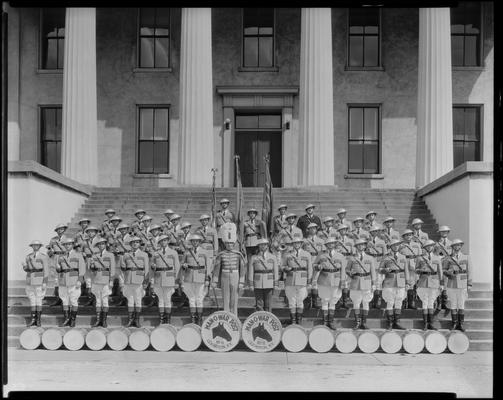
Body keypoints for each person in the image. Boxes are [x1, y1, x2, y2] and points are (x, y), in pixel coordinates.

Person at [312, 237, 347, 329]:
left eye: (332, 243)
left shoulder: (340, 255)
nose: (330, 245)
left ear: (335, 244)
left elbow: (343, 269)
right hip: (324, 278)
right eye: (329, 244)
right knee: (324, 300)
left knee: (333, 301)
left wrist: (343, 281)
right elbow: (314, 264)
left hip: (336, 278)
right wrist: (318, 266)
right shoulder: (321, 255)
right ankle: (324, 321)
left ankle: (331, 321)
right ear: (326, 245)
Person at [379, 239, 412, 330]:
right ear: (391, 247)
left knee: (399, 302)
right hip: (390, 281)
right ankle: (390, 323)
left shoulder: (403, 257)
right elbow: (380, 269)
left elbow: (406, 271)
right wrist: (385, 270)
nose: (396, 246)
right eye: (394, 245)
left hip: (400, 281)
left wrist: (408, 282)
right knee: (390, 302)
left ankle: (396, 322)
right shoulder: (386, 257)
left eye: (397, 245)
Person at [345, 239, 377, 330]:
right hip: (356, 281)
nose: (361, 246)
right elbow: (347, 269)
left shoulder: (370, 258)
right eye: (358, 245)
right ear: (356, 247)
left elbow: (373, 272)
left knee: (366, 302)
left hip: (367, 281)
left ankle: (364, 322)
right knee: (356, 302)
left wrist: (374, 283)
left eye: (362, 245)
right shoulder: (352, 258)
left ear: (365, 246)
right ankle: (357, 323)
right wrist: (350, 272)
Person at [442, 239, 472, 331]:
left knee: (461, 304)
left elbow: (469, 271)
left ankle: (461, 324)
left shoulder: (466, 257)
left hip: (462, 283)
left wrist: (469, 284)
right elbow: (443, 270)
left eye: (459, 245)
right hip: (452, 283)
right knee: (453, 304)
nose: (457, 247)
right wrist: (449, 273)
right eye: (455, 245)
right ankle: (454, 323)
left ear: (461, 246)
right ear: (452, 247)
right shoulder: (448, 258)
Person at [282, 237, 313, 325]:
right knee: (291, 301)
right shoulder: (287, 254)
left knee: (300, 301)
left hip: (302, 279)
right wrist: (286, 268)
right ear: (292, 244)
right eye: (295, 243)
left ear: (301, 243)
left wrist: (309, 280)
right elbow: (282, 266)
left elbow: (310, 268)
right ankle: (293, 321)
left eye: (298, 243)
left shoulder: (307, 254)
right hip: (290, 279)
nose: (297, 244)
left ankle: (299, 321)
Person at [150, 234, 181, 325]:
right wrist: (153, 266)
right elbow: (151, 266)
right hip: (158, 278)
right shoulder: (155, 253)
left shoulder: (173, 252)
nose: (163, 242)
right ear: (159, 243)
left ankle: (167, 320)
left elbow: (177, 266)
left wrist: (176, 280)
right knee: (160, 299)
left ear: (167, 241)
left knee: (167, 299)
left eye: (165, 240)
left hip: (169, 278)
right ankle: (161, 320)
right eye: (161, 241)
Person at [120, 236, 150, 327]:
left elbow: (147, 269)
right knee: (130, 300)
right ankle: (130, 320)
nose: (135, 244)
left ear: (139, 244)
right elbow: (123, 269)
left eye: (137, 242)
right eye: (133, 242)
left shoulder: (144, 254)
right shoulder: (126, 255)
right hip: (128, 280)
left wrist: (145, 281)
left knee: (138, 300)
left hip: (139, 280)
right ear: (130, 244)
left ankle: (137, 320)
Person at [56, 237, 86, 327]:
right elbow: (60, 270)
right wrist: (58, 268)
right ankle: (66, 319)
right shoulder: (60, 256)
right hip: (63, 280)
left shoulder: (78, 255)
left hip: (74, 280)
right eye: (65, 245)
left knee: (73, 300)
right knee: (64, 300)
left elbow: (82, 268)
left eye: (69, 244)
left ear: (72, 245)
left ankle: (73, 320)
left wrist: (80, 280)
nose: (67, 246)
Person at [212, 239, 246, 316]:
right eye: (227, 244)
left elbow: (242, 269)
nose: (229, 245)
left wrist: (241, 281)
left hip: (235, 275)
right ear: (225, 245)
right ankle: (226, 316)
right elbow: (217, 268)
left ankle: (234, 316)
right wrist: (214, 281)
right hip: (224, 276)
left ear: (234, 245)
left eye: (231, 244)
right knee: (225, 298)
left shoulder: (238, 254)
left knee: (234, 298)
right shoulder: (221, 254)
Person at [415, 239, 443, 331]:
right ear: (425, 248)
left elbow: (440, 272)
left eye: (431, 246)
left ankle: (430, 323)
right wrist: (421, 270)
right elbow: (416, 270)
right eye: (427, 246)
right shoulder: (420, 258)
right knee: (425, 302)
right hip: (423, 281)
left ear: (433, 247)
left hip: (434, 281)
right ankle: (425, 323)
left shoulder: (437, 258)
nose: (429, 247)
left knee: (431, 302)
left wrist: (441, 283)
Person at [88, 236, 115, 327]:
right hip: (96, 279)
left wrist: (111, 280)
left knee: (105, 300)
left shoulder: (110, 255)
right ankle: (98, 320)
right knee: (98, 301)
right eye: (99, 244)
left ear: (105, 245)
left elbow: (113, 269)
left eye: (103, 244)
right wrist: (91, 265)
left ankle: (104, 321)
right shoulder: (94, 255)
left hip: (105, 279)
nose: (101, 246)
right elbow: (91, 269)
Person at [248, 238, 279, 313]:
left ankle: (268, 319)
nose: (263, 246)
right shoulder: (254, 257)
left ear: (267, 246)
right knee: (259, 303)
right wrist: (251, 284)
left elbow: (275, 271)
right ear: (258, 246)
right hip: (258, 281)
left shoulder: (273, 257)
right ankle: (260, 318)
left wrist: (276, 283)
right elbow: (251, 271)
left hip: (269, 281)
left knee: (268, 303)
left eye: (264, 245)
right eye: (261, 245)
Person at [23, 240, 50, 327]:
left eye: (37, 245)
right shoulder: (28, 256)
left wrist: (45, 282)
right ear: (32, 246)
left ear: (39, 247)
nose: (35, 247)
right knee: (32, 299)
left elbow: (46, 270)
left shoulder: (43, 257)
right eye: (34, 245)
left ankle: (38, 320)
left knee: (39, 299)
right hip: (30, 280)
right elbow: (28, 269)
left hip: (39, 280)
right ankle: (33, 319)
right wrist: (24, 267)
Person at [303, 223, 325, 309]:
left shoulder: (321, 241)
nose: (313, 230)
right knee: (307, 281)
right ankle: (307, 301)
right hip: (307, 261)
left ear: (316, 230)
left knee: (315, 281)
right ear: (308, 230)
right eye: (310, 228)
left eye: (314, 228)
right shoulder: (304, 241)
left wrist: (321, 263)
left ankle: (315, 302)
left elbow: (323, 253)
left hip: (317, 260)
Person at [46, 223, 68, 306]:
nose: (60, 231)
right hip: (55, 258)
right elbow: (49, 250)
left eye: (62, 229)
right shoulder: (53, 240)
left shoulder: (67, 239)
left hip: (64, 257)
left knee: (64, 277)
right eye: (58, 229)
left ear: (64, 230)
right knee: (56, 279)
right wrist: (50, 252)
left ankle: (64, 298)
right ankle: (58, 298)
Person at [399, 229, 423, 309]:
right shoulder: (400, 245)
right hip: (404, 264)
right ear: (403, 237)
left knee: (412, 283)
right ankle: (402, 301)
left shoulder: (417, 245)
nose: (408, 236)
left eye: (410, 235)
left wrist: (419, 266)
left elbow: (419, 256)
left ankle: (411, 302)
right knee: (403, 283)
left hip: (414, 264)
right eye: (406, 235)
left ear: (412, 236)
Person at [366, 225, 387, 309]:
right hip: (370, 264)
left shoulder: (382, 242)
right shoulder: (367, 242)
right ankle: (370, 300)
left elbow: (385, 255)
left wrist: (382, 265)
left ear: (378, 232)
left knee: (378, 283)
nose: (374, 233)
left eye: (376, 231)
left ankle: (377, 301)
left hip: (379, 263)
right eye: (372, 232)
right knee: (370, 283)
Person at [434, 225, 453, 310]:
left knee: (446, 285)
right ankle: (438, 303)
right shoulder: (437, 244)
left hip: (447, 266)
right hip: (440, 266)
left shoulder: (451, 243)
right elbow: (434, 255)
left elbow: (453, 255)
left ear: (448, 233)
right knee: (439, 284)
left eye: (445, 232)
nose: (444, 233)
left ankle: (444, 303)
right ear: (440, 233)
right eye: (442, 232)